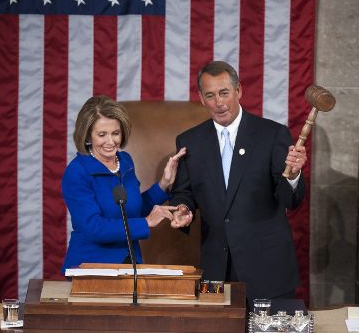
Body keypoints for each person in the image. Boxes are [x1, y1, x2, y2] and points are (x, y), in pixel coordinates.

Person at [169, 61, 307, 303]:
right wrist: (183, 209)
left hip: (267, 269)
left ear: (239, 90)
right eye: (210, 95)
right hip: (215, 271)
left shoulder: (272, 134)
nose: (219, 102)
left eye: (224, 93)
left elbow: (290, 200)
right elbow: (184, 193)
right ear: (201, 98)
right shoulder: (190, 141)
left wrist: (294, 176)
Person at [61, 95, 186, 274]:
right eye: (102, 134)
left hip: (130, 264)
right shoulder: (77, 172)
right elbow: (93, 228)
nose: (111, 142)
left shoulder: (125, 161)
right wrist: (146, 223)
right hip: (90, 268)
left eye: (115, 133)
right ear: (87, 136)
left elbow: (132, 210)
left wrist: (163, 185)